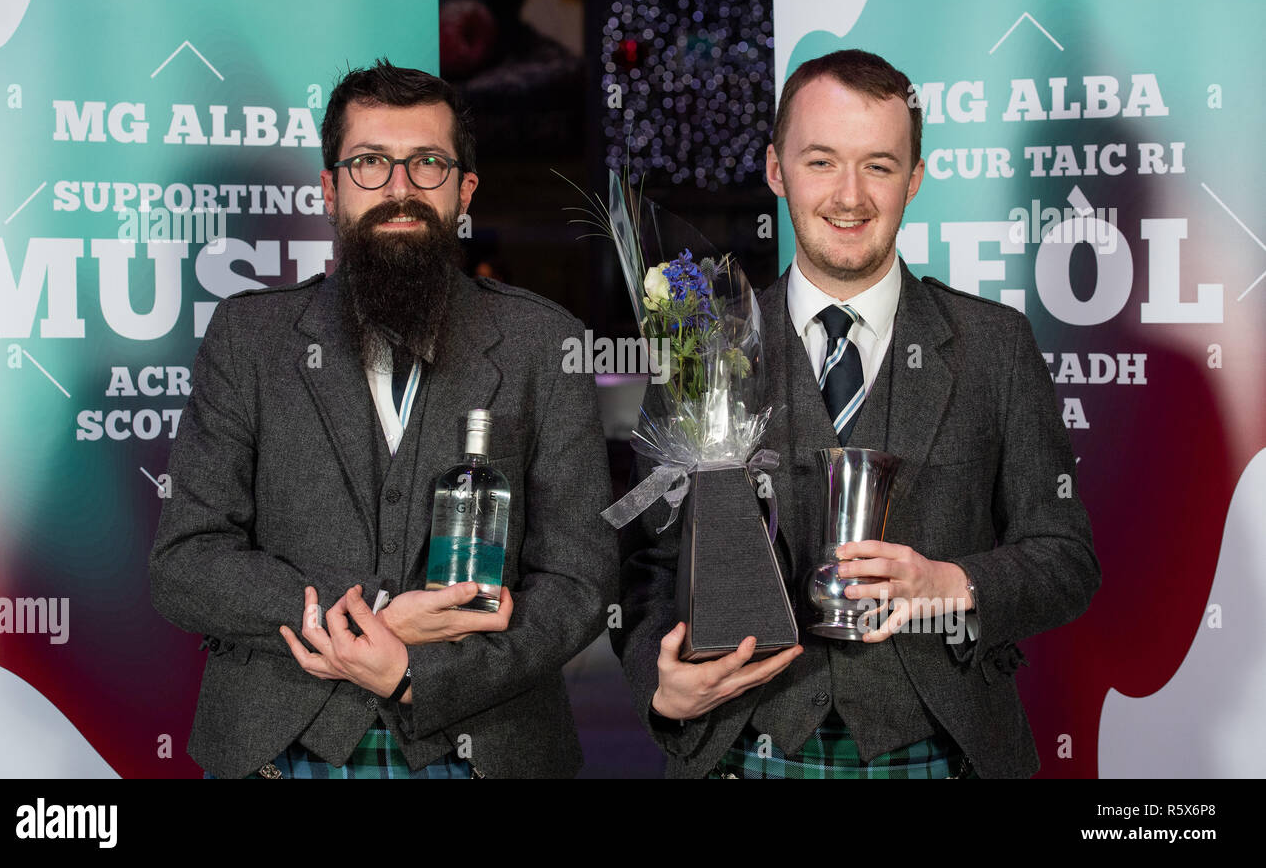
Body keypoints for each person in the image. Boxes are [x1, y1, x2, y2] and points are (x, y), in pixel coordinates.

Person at [612, 49, 1099, 779]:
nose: (849, 195)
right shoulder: (701, 342)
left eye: (878, 164)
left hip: (944, 750)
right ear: (777, 171)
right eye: (820, 162)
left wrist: (952, 586)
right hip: (746, 752)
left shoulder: (994, 345)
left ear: (915, 179)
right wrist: (661, 677)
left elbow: (1067, 558)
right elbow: (647, 565)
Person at [150, 60, 617, 779]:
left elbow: (580, 581)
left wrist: (415, 672)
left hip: (485, 745)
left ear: (465, 190)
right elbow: (186, 564)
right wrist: (367, 613)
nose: (399, 188)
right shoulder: (248, 339)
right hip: (281, 746)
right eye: (370, 163)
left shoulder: (544, 344)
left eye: (427, 163)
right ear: (330, 190)